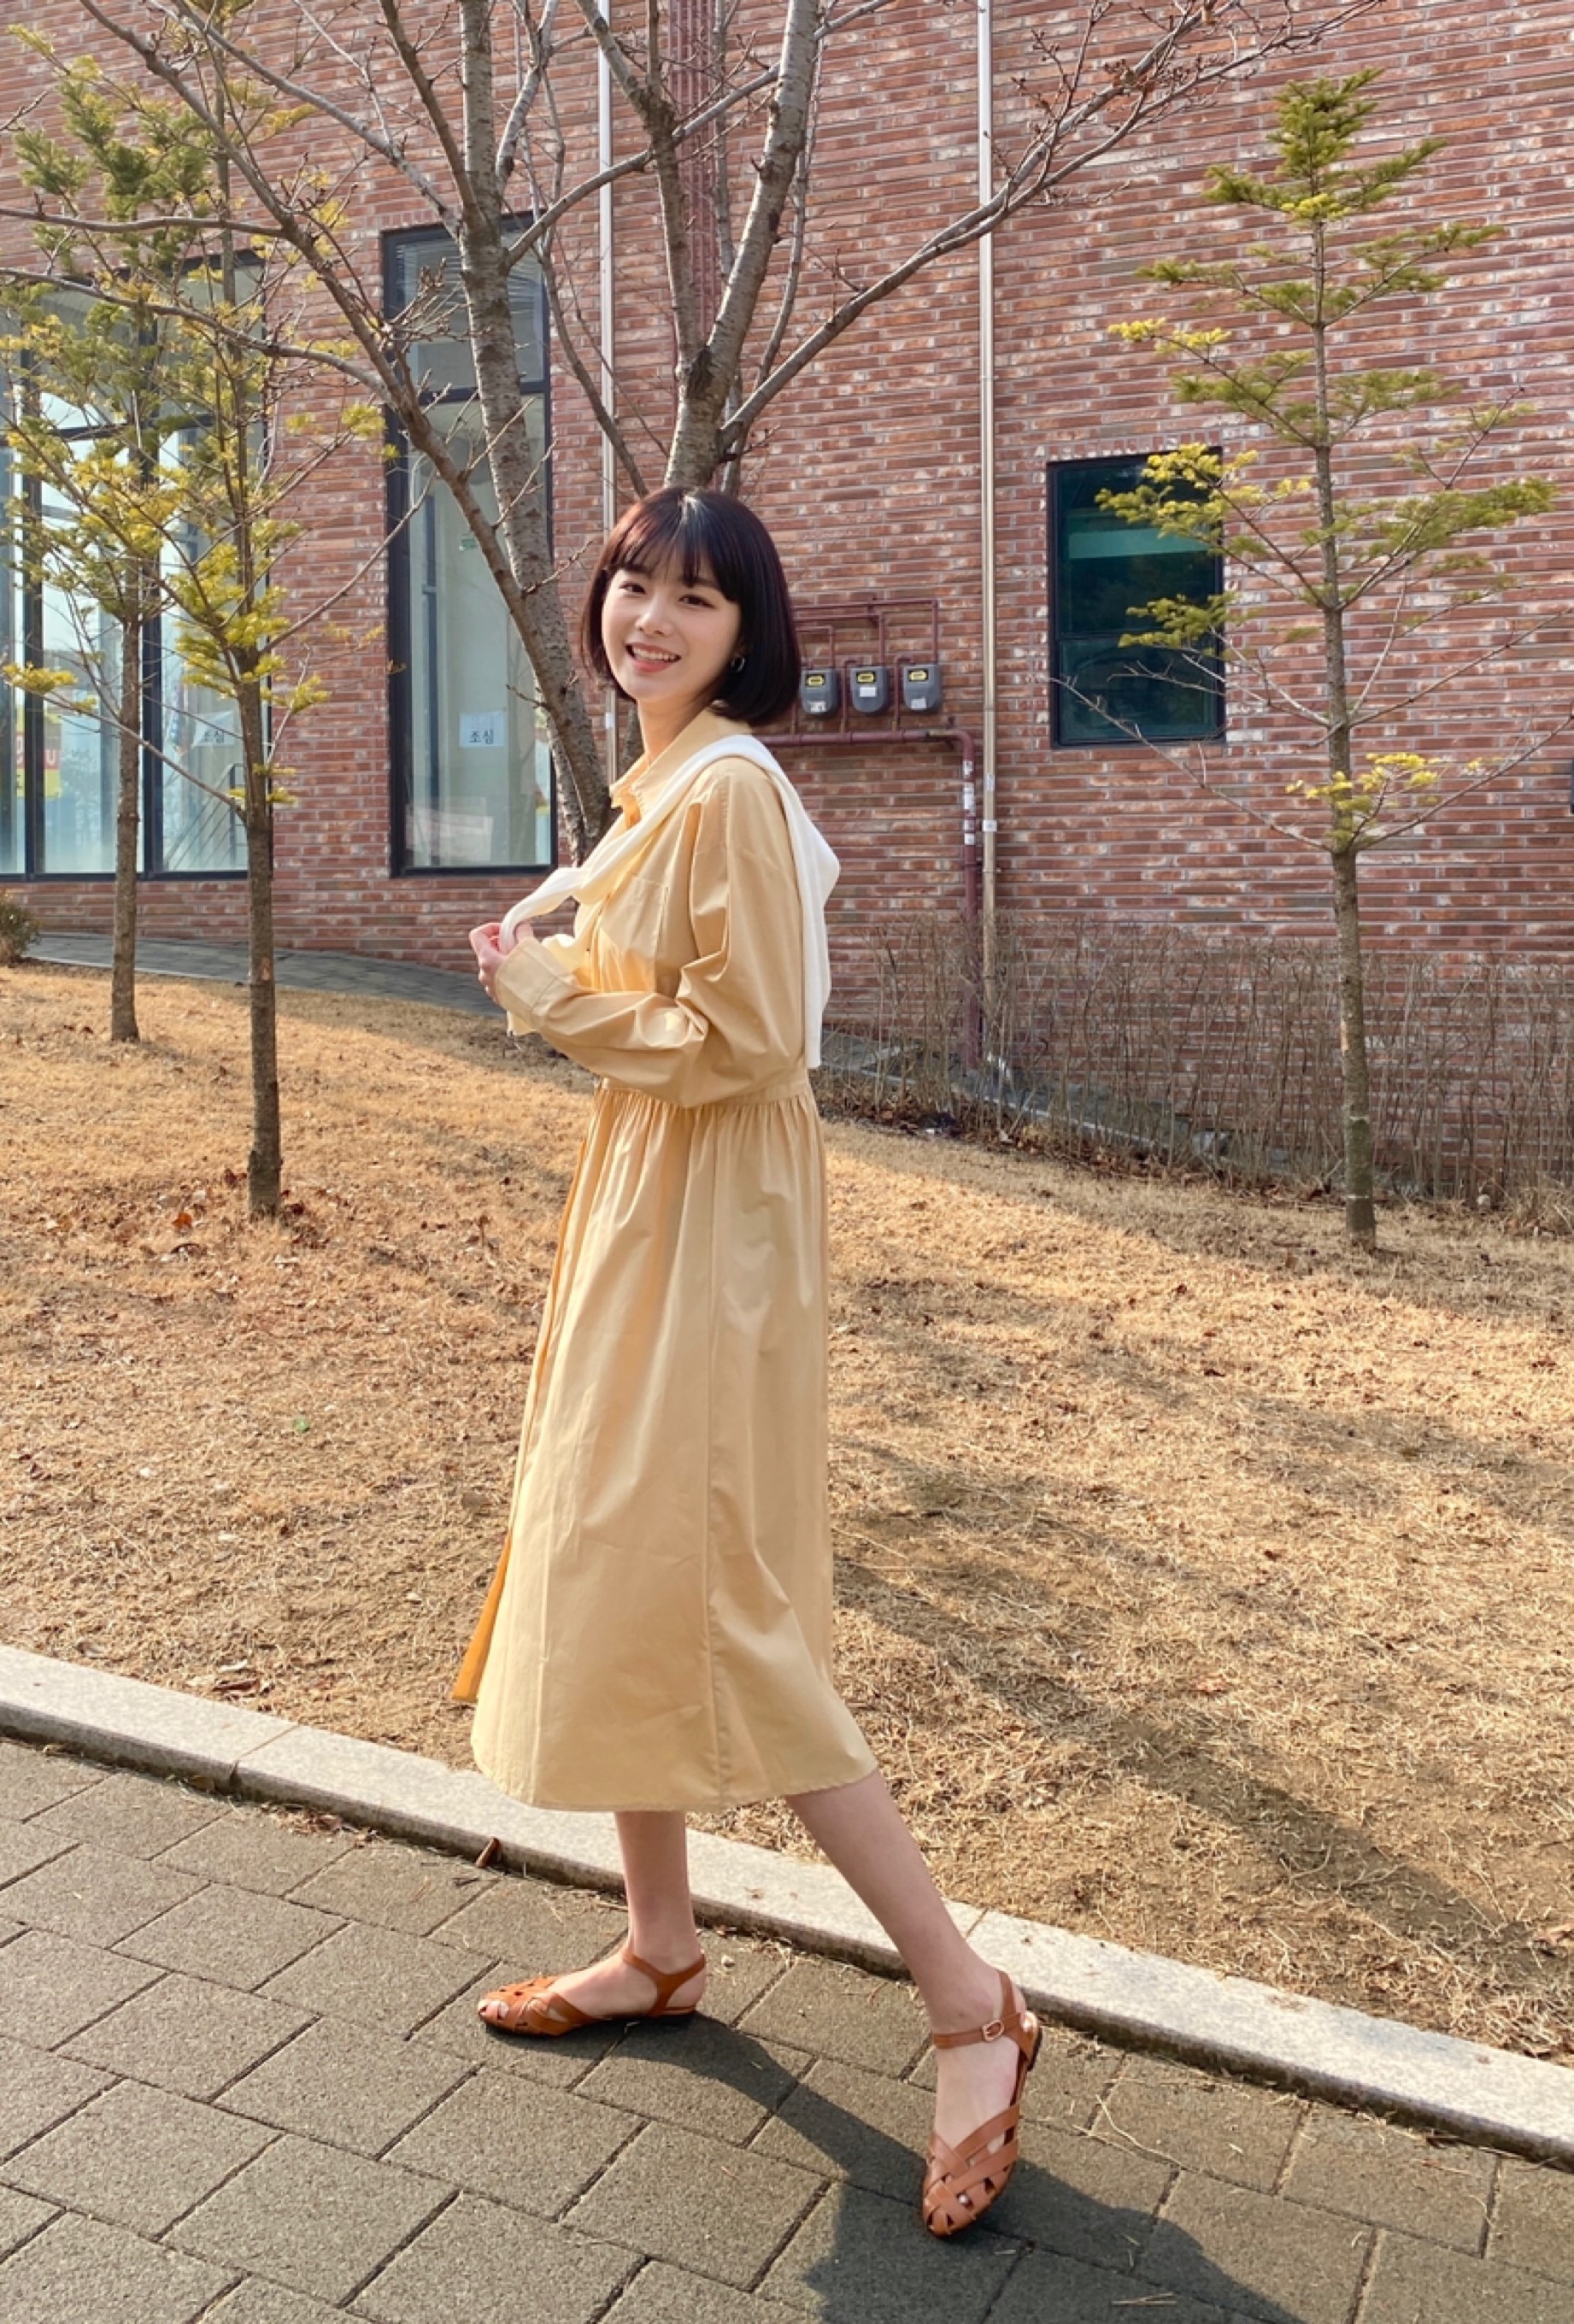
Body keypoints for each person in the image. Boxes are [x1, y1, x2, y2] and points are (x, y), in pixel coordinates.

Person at [463, 486, 1039, 2238]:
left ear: (746, 632)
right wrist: (554, 956)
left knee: (721, 1599)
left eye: (695, 599)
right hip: (659, 1197)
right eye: (632, 583)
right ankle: (660, 1941)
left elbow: (756, 1039)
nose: (649, 617)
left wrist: (548, 993)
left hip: (710, 1224)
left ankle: (971, 2004)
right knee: (621, 1563)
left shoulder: (724, 788)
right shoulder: (666, 786)